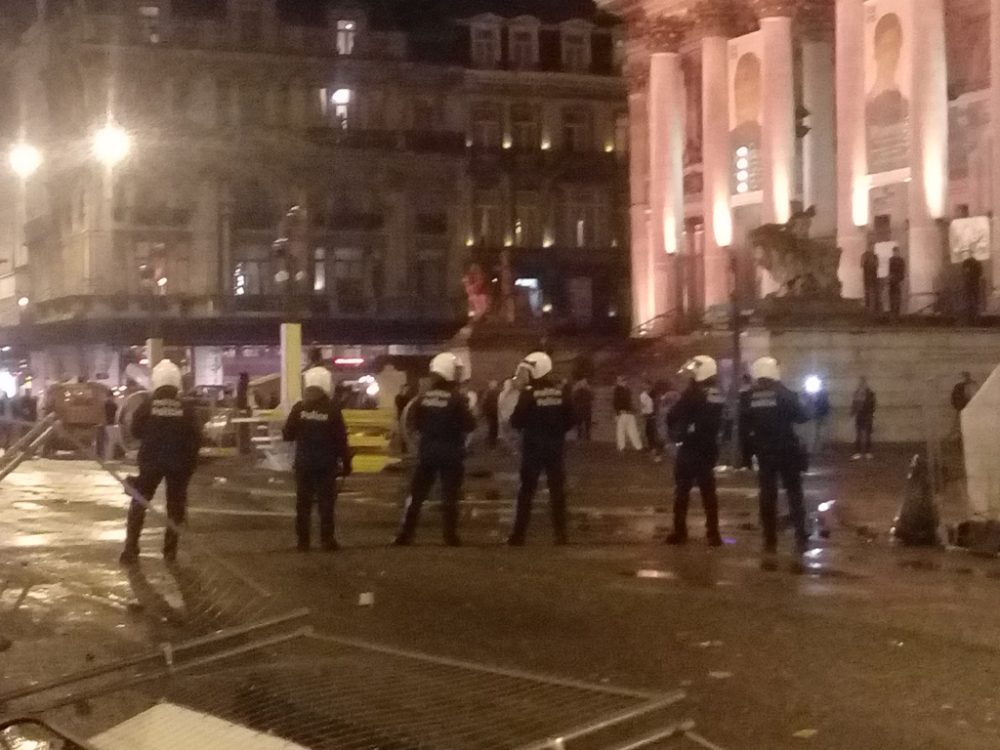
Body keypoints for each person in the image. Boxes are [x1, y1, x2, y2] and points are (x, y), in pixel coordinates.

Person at [119, 360, 201, 565]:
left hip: (151, 462)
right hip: (179, 464)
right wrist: (191, 463)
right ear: (177, 384)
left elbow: (135, 431)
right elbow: (196, 437)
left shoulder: (147, 406)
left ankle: (131, 548)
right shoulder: (187, 408)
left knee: (139, 501)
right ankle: (170, 552)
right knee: (175, 507)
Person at [393, 353, 475, 546]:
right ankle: (450, 536)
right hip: (451, 451)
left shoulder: (423, 398)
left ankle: (406, 533)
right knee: (450, 496)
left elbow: (417, 423)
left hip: (428, 450)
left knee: (417, 494)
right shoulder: (457, 399)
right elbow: (469, 424)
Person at [743, 357, 810, 555]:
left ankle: (769, 537)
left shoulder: (748, 397)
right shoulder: (785, 394)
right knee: (794, 492)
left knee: (767, 495)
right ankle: (800, 533)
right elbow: (802, 417)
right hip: (787, 450)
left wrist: (747, 455)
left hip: (764, 452)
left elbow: (744, 427)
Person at [508, 352, 574, 546]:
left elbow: (516, 420)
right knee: (557, 492)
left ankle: (518, 535)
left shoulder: (528, 394)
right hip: (555, 448)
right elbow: (571, 419)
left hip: (533, 448)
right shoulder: (560, 393)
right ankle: (561, 535)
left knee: (527, 492)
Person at [282, 366, 351, 552]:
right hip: (325, 464)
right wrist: (346, 463)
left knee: (303, 503)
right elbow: (341, 439)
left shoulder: (299, 408)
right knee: (326, 503)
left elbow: (287, 434)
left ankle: (303, 542)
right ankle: (327, 540)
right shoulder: (333, 410)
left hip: (303, 463)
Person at [665, 356, 724, 546]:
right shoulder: (718, 392)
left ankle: (680, 532)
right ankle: (713, 533)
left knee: (682, 491)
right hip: (709, 448)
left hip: (690, 448)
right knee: (709, 492)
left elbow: (674, 414)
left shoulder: (693, 393)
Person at [613, 376, 643, 452]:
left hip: (626, 413)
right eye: (622, 381)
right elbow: (616, 403)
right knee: (625, 431)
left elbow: (618, 402)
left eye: (624, 380)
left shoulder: (625, 390)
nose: (624, 382)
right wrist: (617, 413)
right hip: (623, 413)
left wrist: (617, 413)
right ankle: (633, 446)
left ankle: (635, 446)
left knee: (627, 431)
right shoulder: (620, 390)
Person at [851, 377, 876, 460]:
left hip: (867, 416)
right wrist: (853, 411)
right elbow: (854, 404)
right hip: (860, 416)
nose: (862, 385)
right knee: (858, 434)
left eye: (863, 383)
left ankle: (867, 452)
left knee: (867, 435)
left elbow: (872, 405)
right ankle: (858, 452)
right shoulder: (857, 393)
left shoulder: (870, 394)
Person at [639, 382, 662, 460]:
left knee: (652, 435)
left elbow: (645, 406)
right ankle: (654, 452)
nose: (646, 389)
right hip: (652, 416)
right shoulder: (650, 395)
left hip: (652, 416)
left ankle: (656, 454)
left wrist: (643, 412)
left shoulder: (648, 395)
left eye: (647, 387)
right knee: (651, 434)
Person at [950, 371, 977, 437]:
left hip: (970, 409)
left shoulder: (973, 384)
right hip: (963, 409)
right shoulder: (959, 386)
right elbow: (954, 399)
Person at [961, 253, 984, 324]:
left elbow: (964, 272)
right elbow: (980, 273)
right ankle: (976, 314)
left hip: (969, 283)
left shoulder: (966, 263)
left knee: (969, 299)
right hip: (975, 283)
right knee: (975, 299)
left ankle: (971, 314)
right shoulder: (977, 263)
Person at [482, 380, 501, 449]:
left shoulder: (487, 393)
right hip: (495, 412)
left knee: (492, 426)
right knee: (494, 426)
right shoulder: (498, 392)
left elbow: (484, 403)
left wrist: (484, 412)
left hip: (491, 412)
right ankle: (493, 441)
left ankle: (492, 441)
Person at [888, 246, 905, 317]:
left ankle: (897, 313)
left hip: (897, 281)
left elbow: (902, 271)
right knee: (892, 297)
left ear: (898, 252)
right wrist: (890, 278)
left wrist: (900, 280)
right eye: (894, 252)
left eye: (896, 252)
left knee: (897, 298)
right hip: (892, 281)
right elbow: (890, 270)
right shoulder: (891, 260)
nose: (895, 253)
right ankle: (893, 312)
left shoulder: (901, 260)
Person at [862, 247, 880, 313]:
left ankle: (873, 310)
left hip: (873, 279)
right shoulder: (865, 256)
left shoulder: (875, 257)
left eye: (872, 248)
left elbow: (877, 265)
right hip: (867, 279)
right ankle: (869, 309)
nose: (871, 249)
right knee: (868, 295)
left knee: (873, 294)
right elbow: (862, 264)